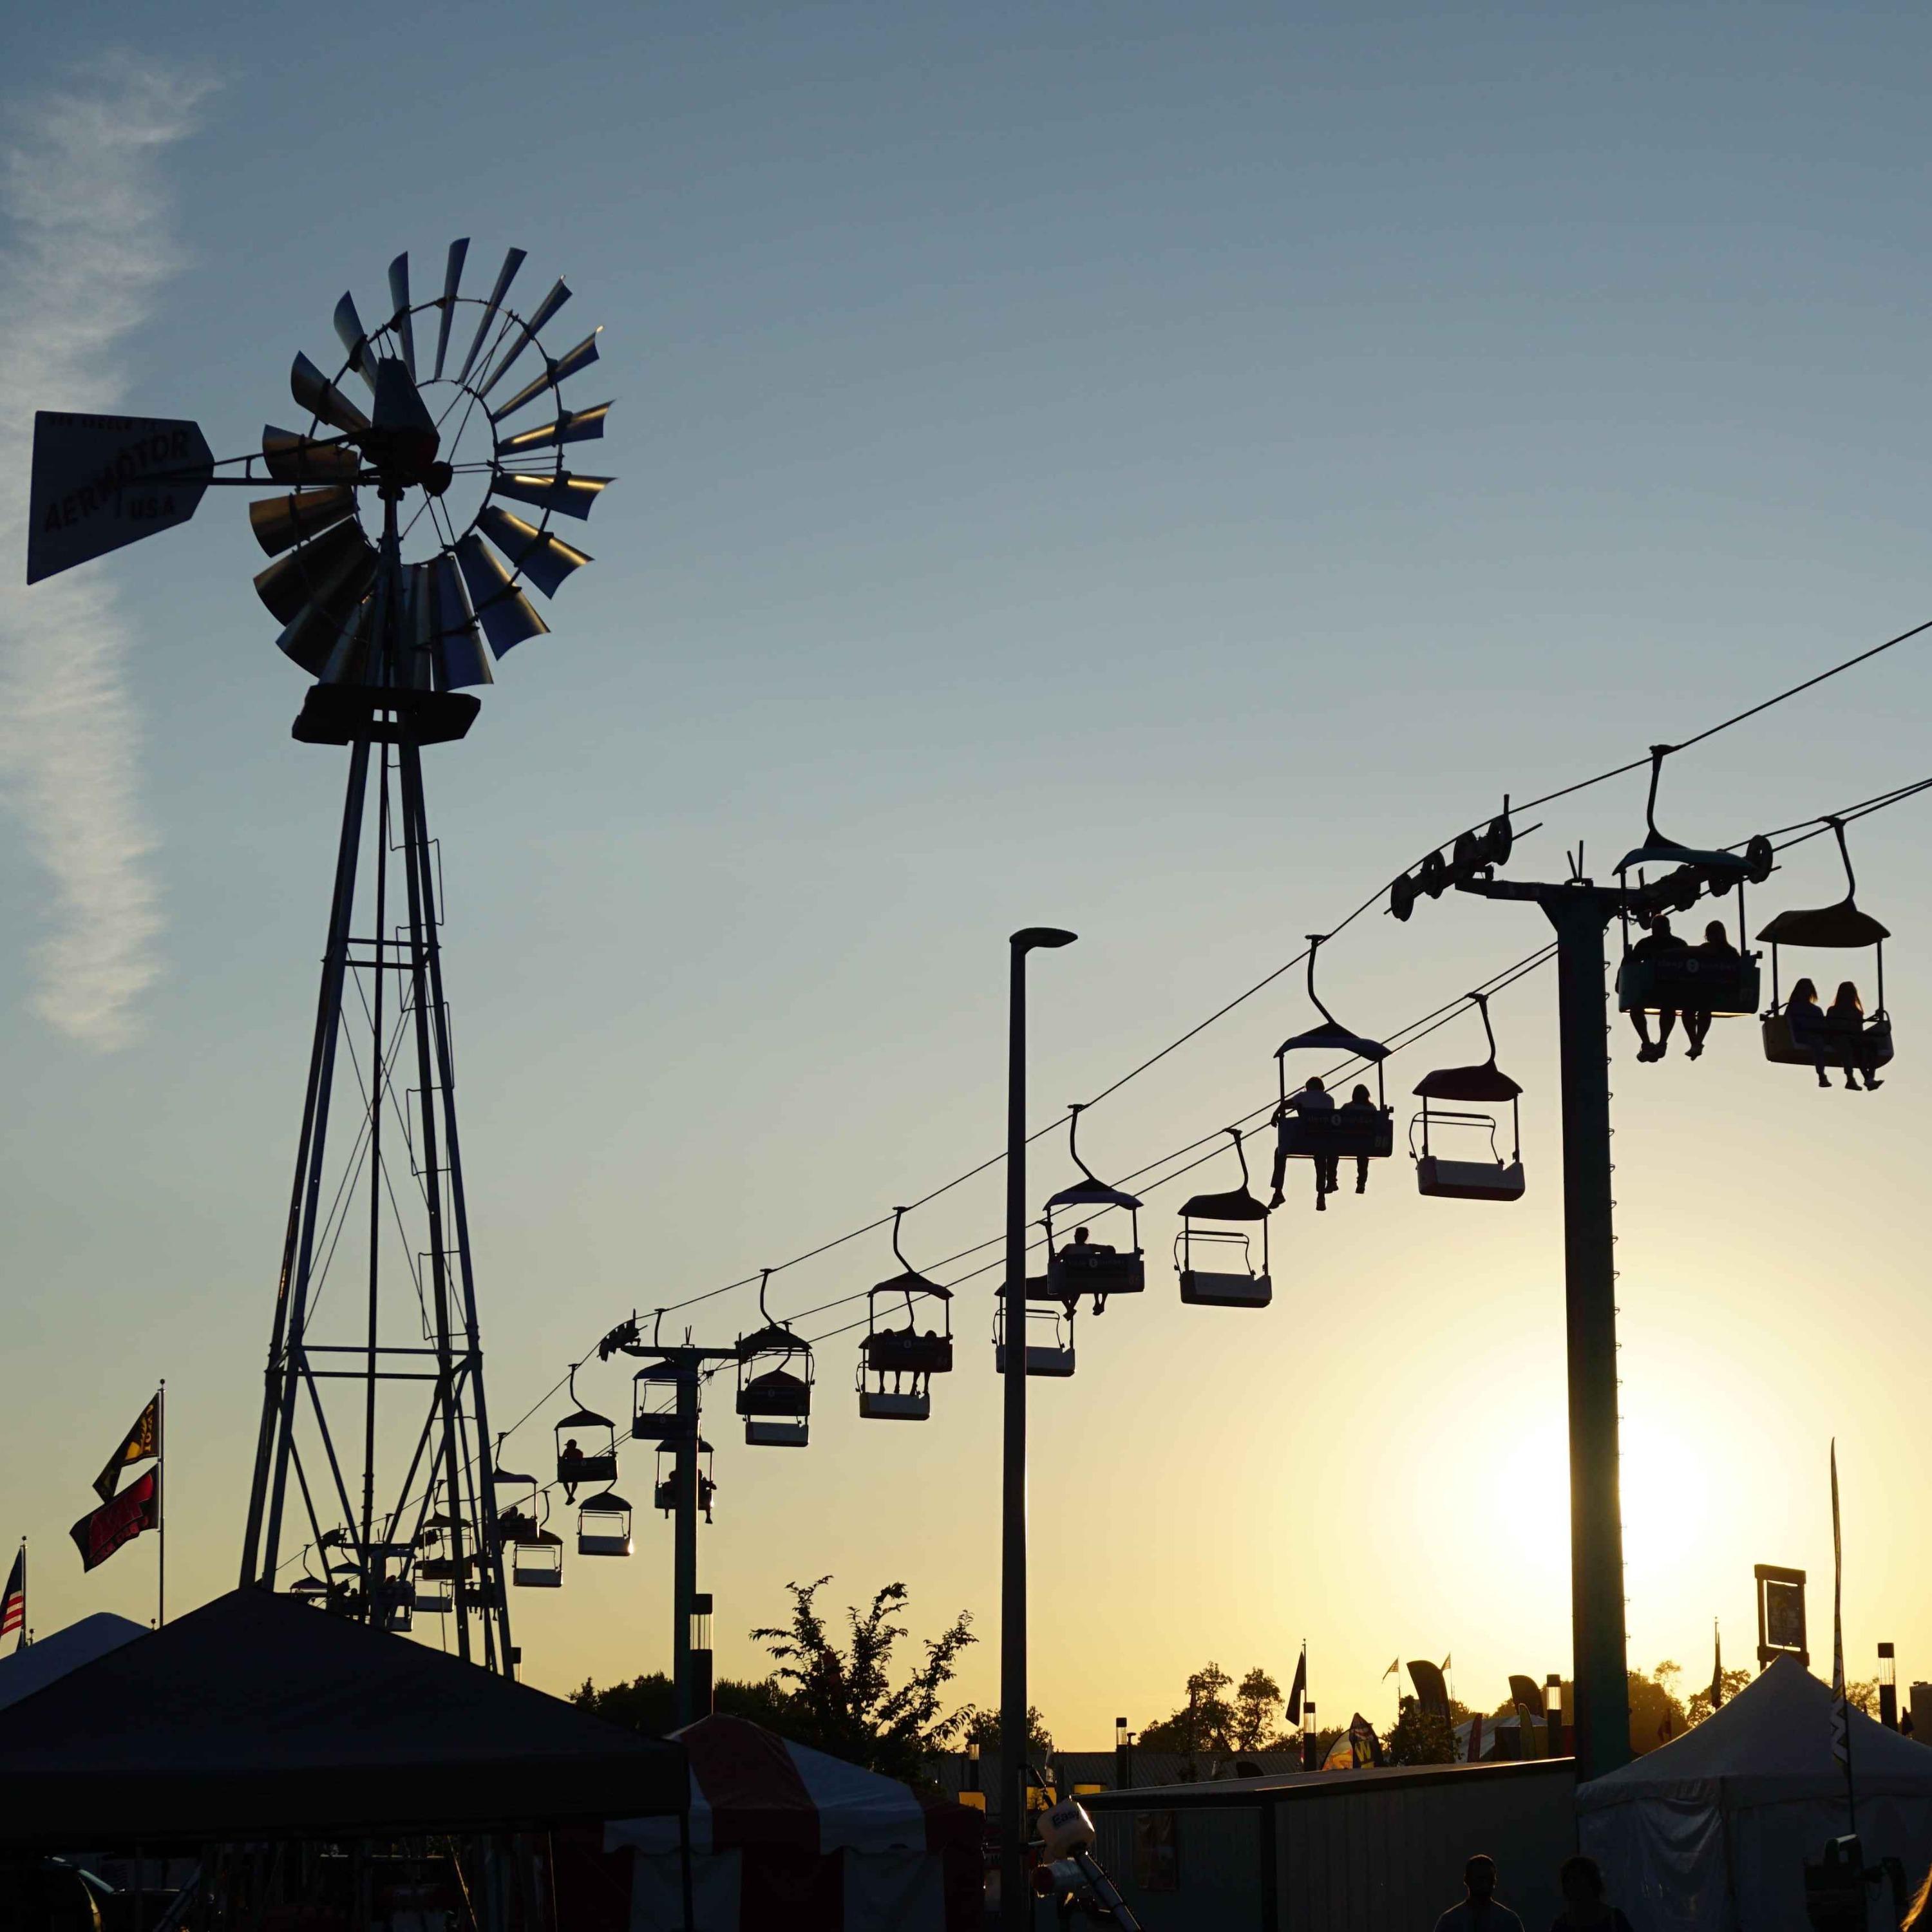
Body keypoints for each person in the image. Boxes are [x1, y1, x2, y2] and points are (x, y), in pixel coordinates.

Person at [1627, 916, 1689, 1061]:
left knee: (1640, 1008)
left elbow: (1629, 962)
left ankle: (1650, 1043)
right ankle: (1657, 1043)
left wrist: (1622, 982)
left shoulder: (1646, 944)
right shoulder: (1678, 944)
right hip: (1667, 989)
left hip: (1657, 988)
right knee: (1666, 1007)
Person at [1271, 1075, 1337, 1210]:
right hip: (1322, 1142)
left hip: (1303, 1141)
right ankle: (1321, 1195)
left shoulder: (1303, 1097)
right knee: (1321, 1158)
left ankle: (1278, 1192)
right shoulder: (1330, 1100)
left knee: (1280, 1152)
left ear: (1310, 1087)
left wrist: (1275, 1114)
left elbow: (1285, 1104)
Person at [1680, 919, 1739, 1061]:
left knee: (1700, 1008)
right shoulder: (1711, 950)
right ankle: (1696, 1042)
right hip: (1706, 989)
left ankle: (1696, 1042)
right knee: (1691, 1010)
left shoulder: (1728, 952)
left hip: (1718, 991)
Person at [1432, 1853, 1526, 1932]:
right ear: (1467, 1880)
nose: (1484, 1884)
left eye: (1488, 1878)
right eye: (1480, 1878)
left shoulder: (1449, 1921)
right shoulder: (1509, 1920)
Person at [1827, 980, 1884, 1092]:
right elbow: (1831, 1027)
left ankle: (1870, 1077)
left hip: (1852, 1038)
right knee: (1853, 1046)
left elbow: (1858, 1030)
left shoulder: (1856, 1012)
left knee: (1870, 1045)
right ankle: (1865, 1078)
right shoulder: (1834, 1010)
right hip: (1839, 1038)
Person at [1549, 1855, 1632, 1931]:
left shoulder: (1615, 1920)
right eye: (1569, 1881)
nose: (1573, 1886)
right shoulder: (1614, 1919)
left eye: (1578, 1880)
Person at [1336, 1083, 1381, 1193]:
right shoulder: (1372, 1108)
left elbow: (1338, 1119)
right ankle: (1361, 1183)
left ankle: (1333, 1180)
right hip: (1365, 1141)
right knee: (1363, 1160)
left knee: (1333, 1151)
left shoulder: (1348, 1107)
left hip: (1348, 1141)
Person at [560, 1437, 585, 1503]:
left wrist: (561, 1459)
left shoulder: (567, 1451)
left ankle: (570, 1495)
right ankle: (570, 1495)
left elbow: (562, 1459)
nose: (567, 1447)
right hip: (575, 1472)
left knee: (565, 1480)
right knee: (574, 1480)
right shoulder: (579, 1452)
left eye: (568, 1445)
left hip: (571, 1472)